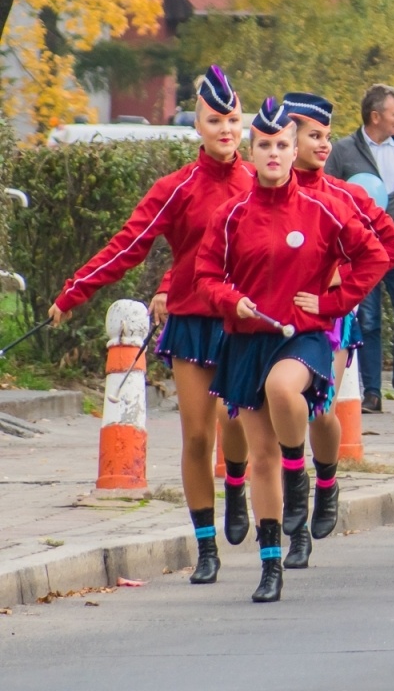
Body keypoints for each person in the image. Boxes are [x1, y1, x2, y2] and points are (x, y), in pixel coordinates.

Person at [49, 67, 256, 585]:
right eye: (215, 120)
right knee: (195, 434)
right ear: (198, 126)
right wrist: (75, 292)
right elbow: (128, 243)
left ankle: (235, 483)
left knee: (234, 428)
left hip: (243, 322)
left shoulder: (260, 182)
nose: (226, 128)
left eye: (233, 119)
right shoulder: (177, 187)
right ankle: (205, 547)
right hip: (191, 320)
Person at [195, 97, 388, 602]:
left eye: (283, 145)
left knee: (285, 390)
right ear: (251, 151)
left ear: (291, 149)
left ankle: (300, 473)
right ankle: (270, 563)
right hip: (247, 339)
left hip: (303, 335)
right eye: (266, 146)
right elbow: (207, 274)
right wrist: (230, 301)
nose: (276, 154)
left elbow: (376, 256)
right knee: (260, 457)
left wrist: (331, 302)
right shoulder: (231, 213)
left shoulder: (324, 206)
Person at [282, 90, 394, 569]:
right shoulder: (265, 190)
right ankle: (292, 530)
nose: (324, 146)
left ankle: (328, 478)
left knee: (318, 408)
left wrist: (343, 283)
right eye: (314, 136)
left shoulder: (346, 194)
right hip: (276, 317)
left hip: (331, 318)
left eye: (327, 136)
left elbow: (393, 247)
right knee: (279, 417)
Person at [325, 84, 394, 414]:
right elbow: (326, 199)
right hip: (359, 248)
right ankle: (371, 392)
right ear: (376, 116)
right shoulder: (342, 152)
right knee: (369, 320)